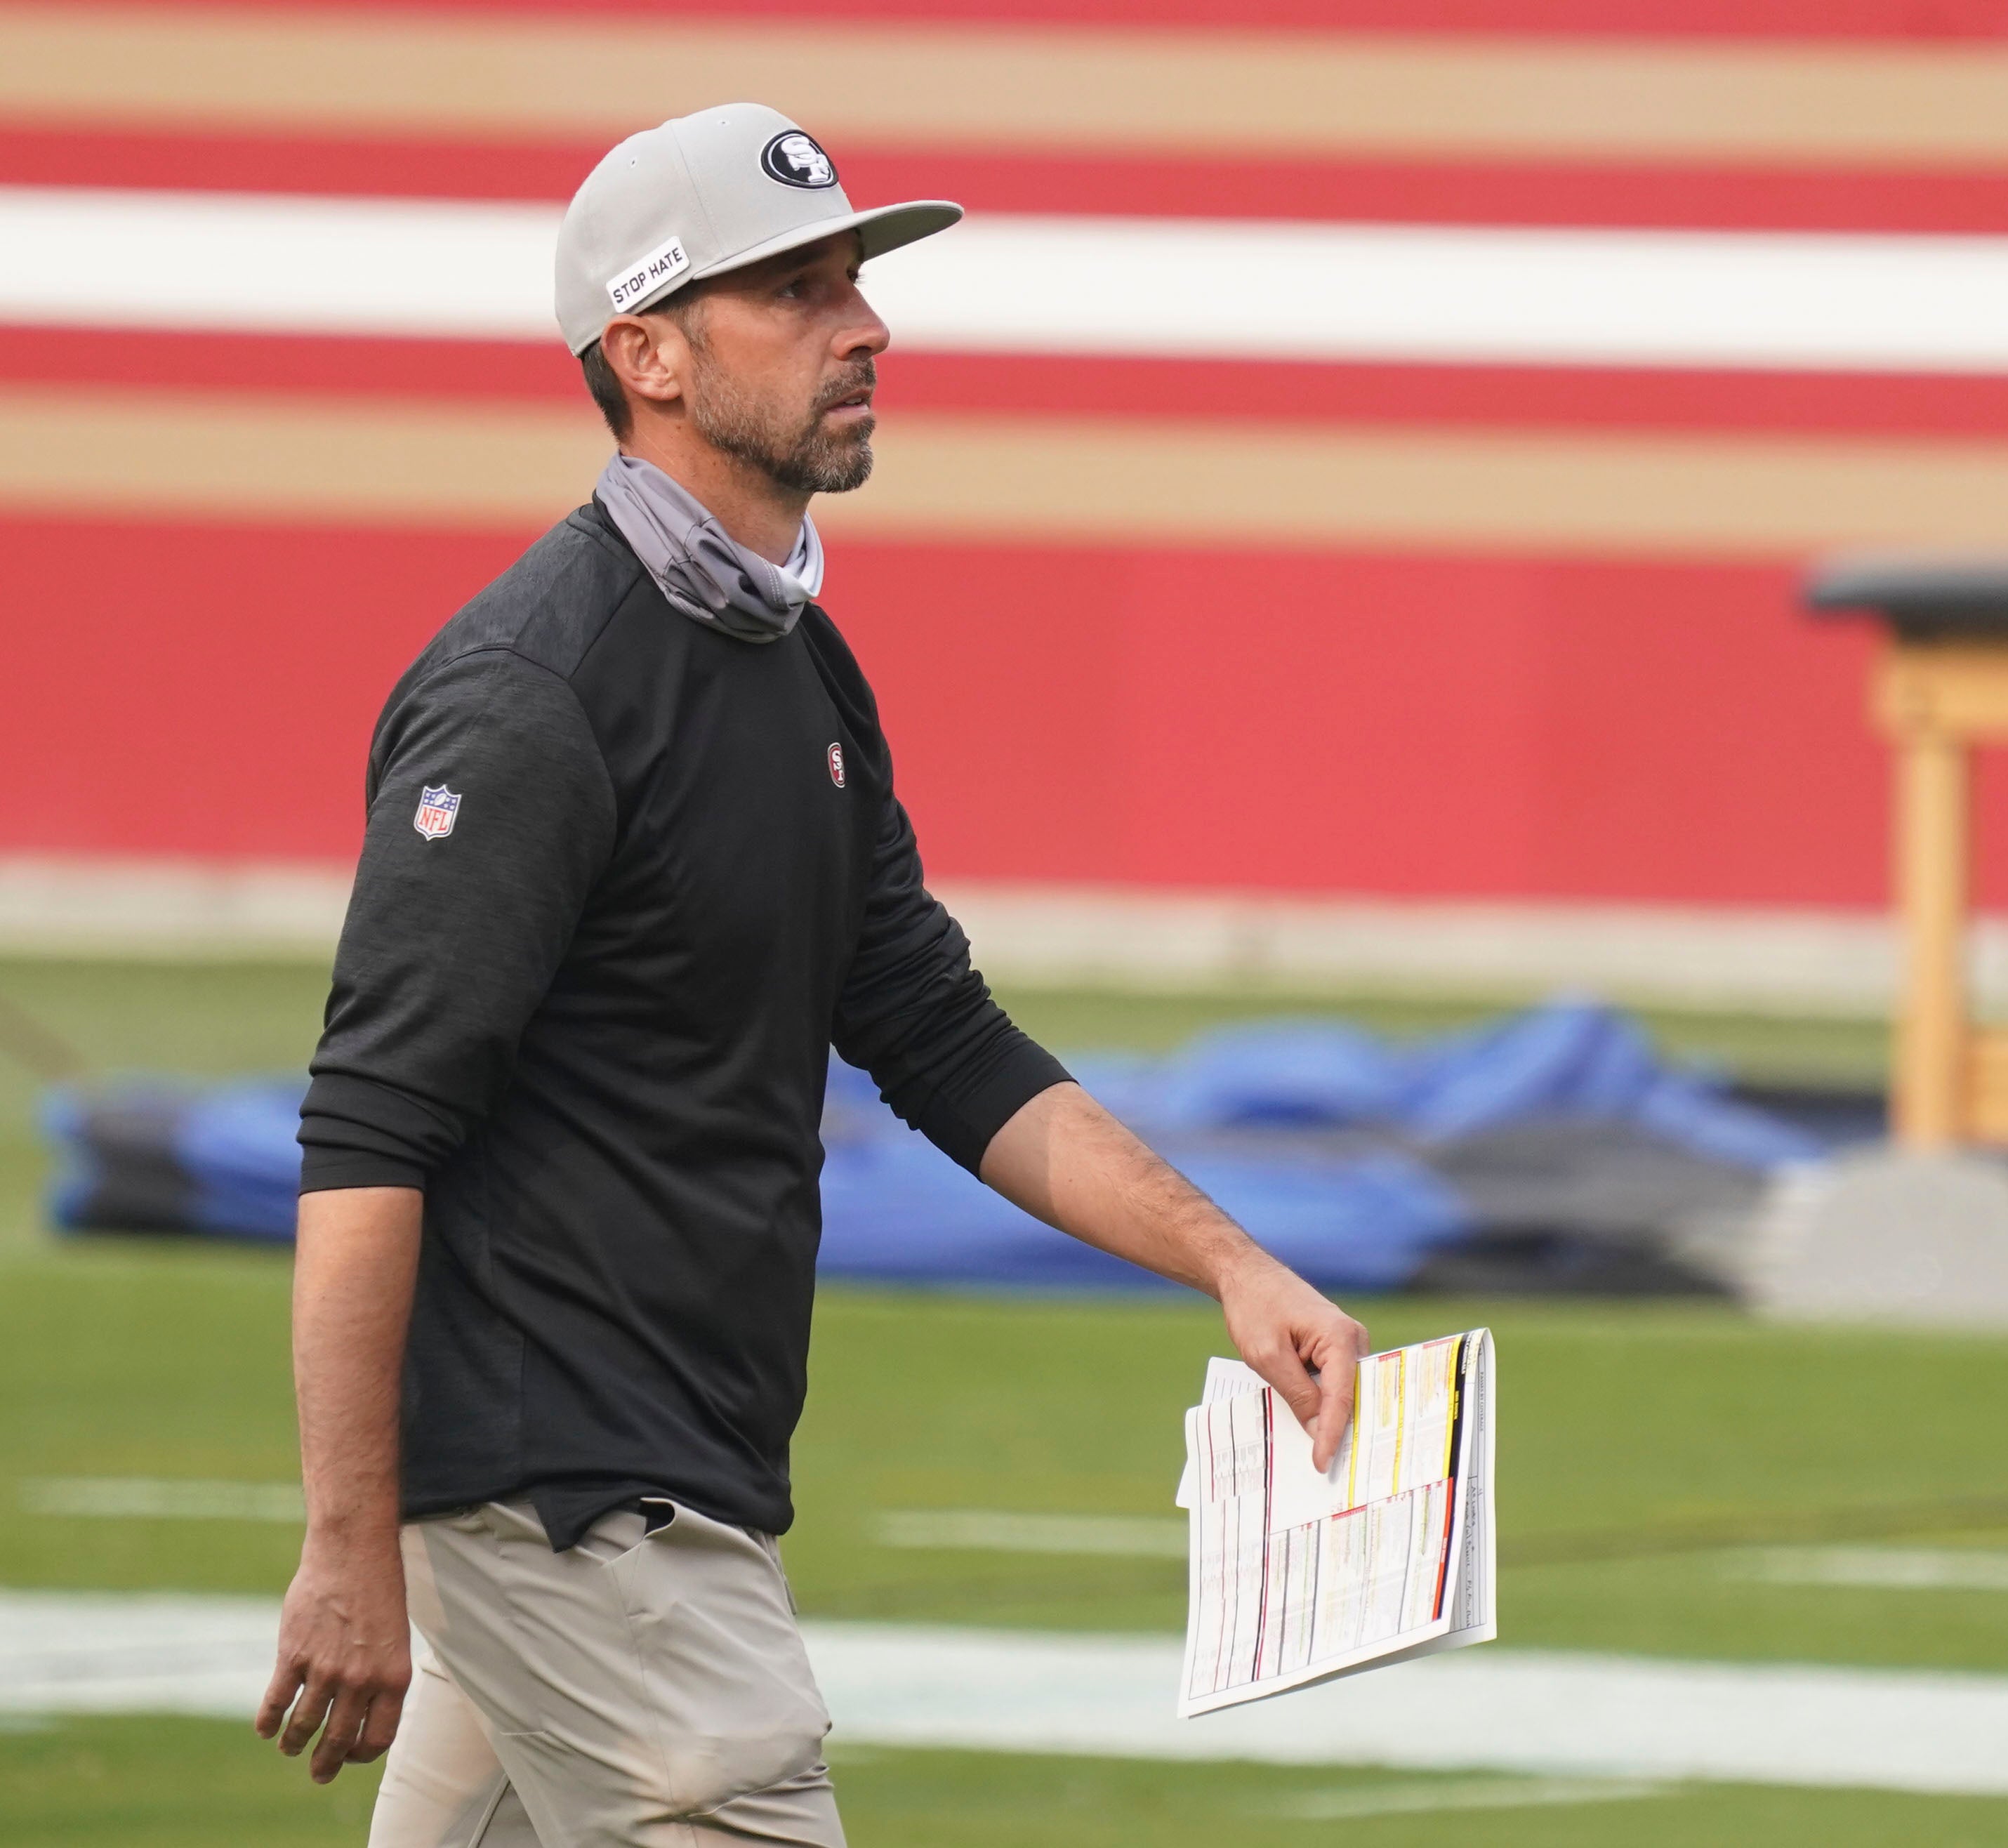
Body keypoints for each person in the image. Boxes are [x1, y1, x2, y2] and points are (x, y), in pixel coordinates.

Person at [253, 102, 1369, 1847]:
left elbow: (936, 1033)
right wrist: (344, 1544)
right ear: (650, 355)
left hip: (641, 1495)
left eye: (857, 279)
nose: (868, 327)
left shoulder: (800, 669)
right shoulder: (534, 695)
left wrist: (1229, 1262)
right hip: (577, 1513)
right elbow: (367, 1135)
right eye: (795, 288)